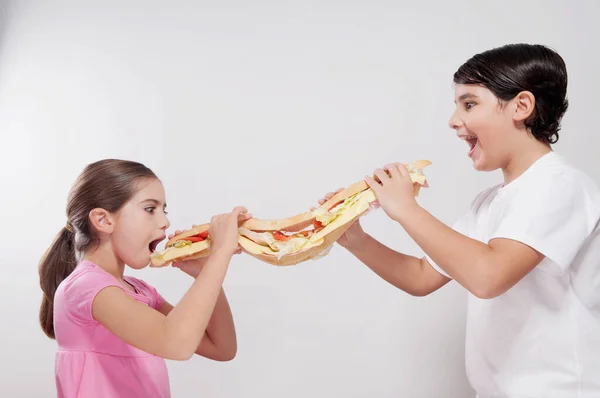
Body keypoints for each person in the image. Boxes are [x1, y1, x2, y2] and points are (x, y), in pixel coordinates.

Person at [318, 43, 600, 397]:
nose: (453, 121)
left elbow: (488, 276)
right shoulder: (488, 202)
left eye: (469, 104)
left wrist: (407, 209)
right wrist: (355, 239)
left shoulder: (560, 185)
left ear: (521, 106)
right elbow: (420, 277)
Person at [38, 159, 250, 398]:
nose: (165, 221)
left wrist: (203, 273)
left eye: (164, 210)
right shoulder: (85, 287)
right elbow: (175, 344)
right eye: (150, 209)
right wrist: (219, 255)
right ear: (103, 220)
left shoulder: (141, 292)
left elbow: (221, 347)